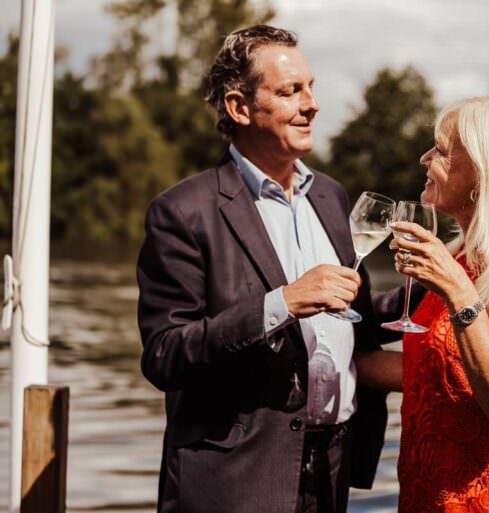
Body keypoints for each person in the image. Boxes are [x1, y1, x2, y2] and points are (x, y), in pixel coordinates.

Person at [136, 24, 390, 513]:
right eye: (291, 91)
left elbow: (348, 316)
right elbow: (165, 356)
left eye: (311, 87)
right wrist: (282, 303)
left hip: (330, 471)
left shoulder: (331, 196)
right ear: (239, 107)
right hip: (234, 482)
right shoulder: (183, 212)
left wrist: (427, 292)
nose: (312, 103)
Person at [357, 96, 489, 512]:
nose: (424, 158)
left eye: (439, 149)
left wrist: (458, 291)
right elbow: (430, 373)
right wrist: (319, 360)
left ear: (484, 166)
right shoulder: (459, 255)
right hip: (423, 496)